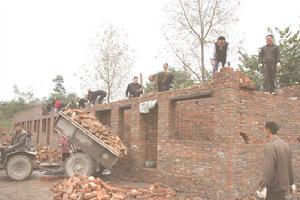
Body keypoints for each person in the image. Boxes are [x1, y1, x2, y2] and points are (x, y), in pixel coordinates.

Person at [256, 121, 296, 200]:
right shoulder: (286, 145)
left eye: (264, 129)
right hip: (284, 187)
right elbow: (290, 166)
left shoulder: (270, 147)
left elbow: (268, 169)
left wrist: (263, 187)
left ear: (268, 130)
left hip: (274, 188)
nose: (264, 132)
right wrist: (292, 183)